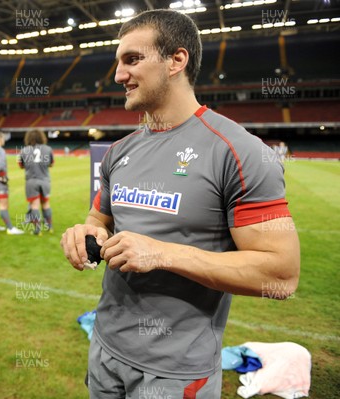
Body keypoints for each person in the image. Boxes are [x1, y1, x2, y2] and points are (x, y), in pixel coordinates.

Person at [60, 10, 300, 399]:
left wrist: (163, 254)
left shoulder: (239, 152)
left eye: (132, 59)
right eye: (118, 63)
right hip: (104, 349)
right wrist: (86, 232)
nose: (119, 76)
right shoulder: (119, 152)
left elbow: (282, 276)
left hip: (176, 372)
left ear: (177, 60)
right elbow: (98, 218)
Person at [17, 129, 54, 235]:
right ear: (42, 137)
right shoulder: (48, 149)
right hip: (45, 180)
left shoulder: (24, 150)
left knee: (34, 205)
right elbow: (51, 164)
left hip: (31, 181)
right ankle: (49, 227)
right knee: (46, 203)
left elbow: (20, 165)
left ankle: (37, 230)